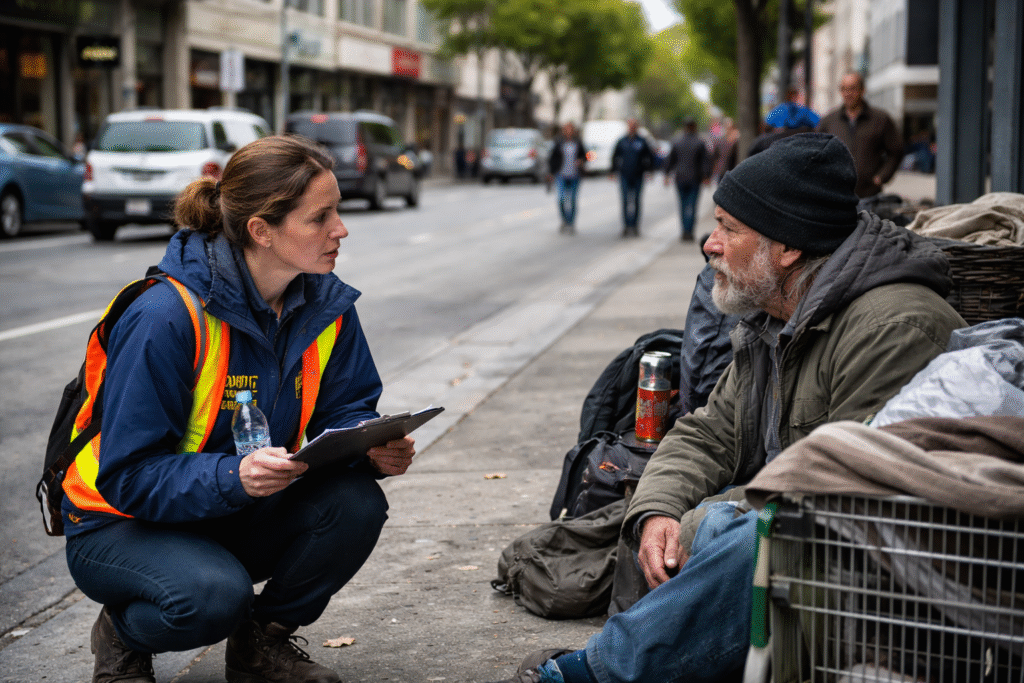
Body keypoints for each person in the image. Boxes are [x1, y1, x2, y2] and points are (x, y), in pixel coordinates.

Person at [485, 133, 966, 683]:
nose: (709, 244)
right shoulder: (776, 312)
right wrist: (659, 510)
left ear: (787, 247)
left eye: (728, 228)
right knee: (707, 524)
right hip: (806, 545)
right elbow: (708, 432)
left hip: (884, 579)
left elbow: (838, 493)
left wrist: (701, 520)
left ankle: (596, 673)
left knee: (737, 529)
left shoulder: (894, 327)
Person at [62, 135, 416, 683]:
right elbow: (128, 474)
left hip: (232, 504)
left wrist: (369, 449)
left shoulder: (325, 304)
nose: (340, 229)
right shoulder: (166, 317)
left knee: (356, 503)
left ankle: (260, 647)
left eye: (337, 212)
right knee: (211, 598)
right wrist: (236, 475)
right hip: (118, 521)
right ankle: (122, 633)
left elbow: (347, 408)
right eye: (320, 217)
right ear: (261, 231)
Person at [816, 72, 903, 198]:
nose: (848, 93)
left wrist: (881, 177)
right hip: (835, 197)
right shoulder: (829, 121)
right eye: (844, 89)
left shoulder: (880, 119)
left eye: (852, 88)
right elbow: (816, 154)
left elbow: (896, 151)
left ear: (862, 90)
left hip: (869, 195)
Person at [663, 118, 709, 242]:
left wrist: (666, 174)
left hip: (680, 178)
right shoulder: (700, 142)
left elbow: (670, 159)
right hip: (694, 178)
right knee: (692, 206)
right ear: (694, 126)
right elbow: (705, 161)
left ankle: (684, 231)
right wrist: (706, 176)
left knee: (682, 205)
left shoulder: (677, 141)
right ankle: (690, 231)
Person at [610, 118, 656, 237]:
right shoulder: (622, 141)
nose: (631, 127)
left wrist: (650, 170)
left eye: (634, 125)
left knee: (636, 201)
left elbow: (649, 156)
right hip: (625, 175)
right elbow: (615, 156)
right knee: (625, 201)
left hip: (638, 175)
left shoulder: (642, 141)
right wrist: (613, 171)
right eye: (630, 125)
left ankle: (635, 226)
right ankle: (626, 226)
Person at [547, 121, 587, 234]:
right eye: (567, 129)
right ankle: (564, 220)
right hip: (561, 175)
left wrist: (581, 160)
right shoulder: (559, 142)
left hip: (575, 175)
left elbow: (585, 156)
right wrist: (551, 173)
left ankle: (571, 222)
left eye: (571, 129)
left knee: (573, 200)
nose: (569, 131)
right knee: (561, 199)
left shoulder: (578, 142)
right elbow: (552, 158)